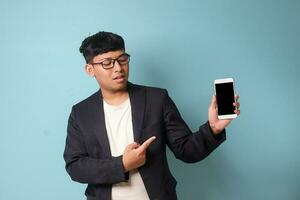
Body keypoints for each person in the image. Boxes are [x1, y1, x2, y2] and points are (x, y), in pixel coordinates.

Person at [63, 31, 240, 200]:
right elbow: (75, 167)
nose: (118, 68)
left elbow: (186, 151)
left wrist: (213, 129)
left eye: (122, 59)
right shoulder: (81, 113)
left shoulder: (157, 99)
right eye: (107, 63)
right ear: (90, 69)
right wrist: (123, 164)